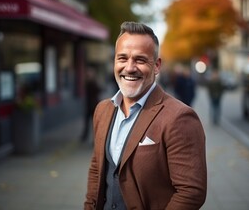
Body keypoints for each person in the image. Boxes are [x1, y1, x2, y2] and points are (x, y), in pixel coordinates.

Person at [84, 21, 207, 209]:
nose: (130, 67)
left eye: (140, 60)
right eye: (122, 58)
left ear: (157, 66)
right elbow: (97, 169)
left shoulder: (179, 117)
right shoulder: (103, 110)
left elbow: (190, 192)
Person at [81, 67, 101, 142]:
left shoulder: (92, 83)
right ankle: (85, 136)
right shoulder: (89, 83)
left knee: (93, 123)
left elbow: (98, 90)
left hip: (93, 105)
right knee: (88, 122)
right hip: (90, 105)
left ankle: (93, 138)